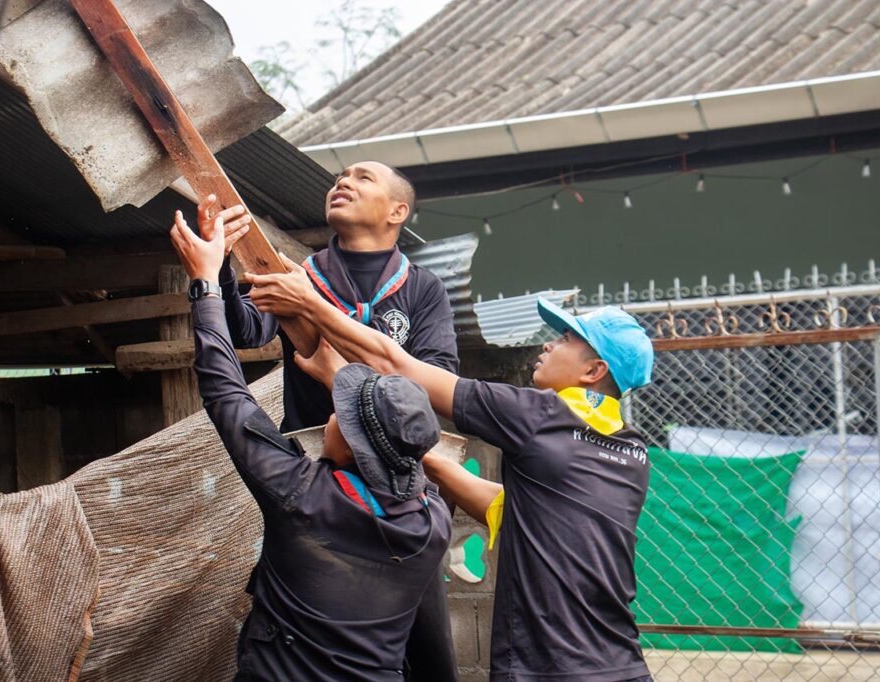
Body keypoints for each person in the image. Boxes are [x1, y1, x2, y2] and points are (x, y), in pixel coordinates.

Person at [245, 262, 656, 682]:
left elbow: (394, 362)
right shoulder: (632, 453)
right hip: (623, 666)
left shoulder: (539, 415)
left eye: (566, 339)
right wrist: (371, 419)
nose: (549, 344)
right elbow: (513, 509)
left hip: (552, 671)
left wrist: (310, 303)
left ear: (593, 371)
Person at [198, 159, 459, 680]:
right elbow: (248, 329)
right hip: (313, 474)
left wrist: (322, 322)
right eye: (341, 175)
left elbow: (436, 379)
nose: (343, 182)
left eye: (363, 178)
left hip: (394, 479)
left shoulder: (422, 288)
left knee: (425, 630)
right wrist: (221, 268)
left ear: (397, 212)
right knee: (304, 603)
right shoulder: (301, 272)